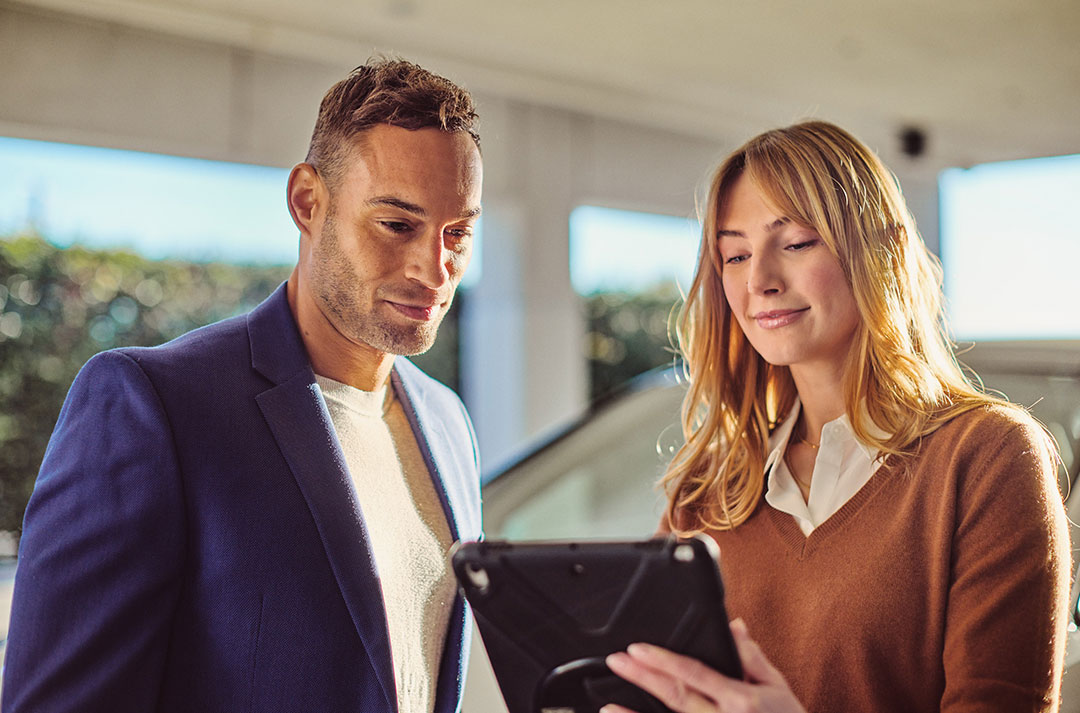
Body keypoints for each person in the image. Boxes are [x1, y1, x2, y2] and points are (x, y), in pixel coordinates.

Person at [3, 58, 484, 713]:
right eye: (398, 225)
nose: (434, 269)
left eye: (457, 233)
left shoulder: (449, 422)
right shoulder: (152, 405)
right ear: (308, 202)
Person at [602, 121, 1071, 713]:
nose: (760, 282)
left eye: (796, 242)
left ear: (883, 250)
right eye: (736, 254)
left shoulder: (988, 458)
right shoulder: (705, 495)